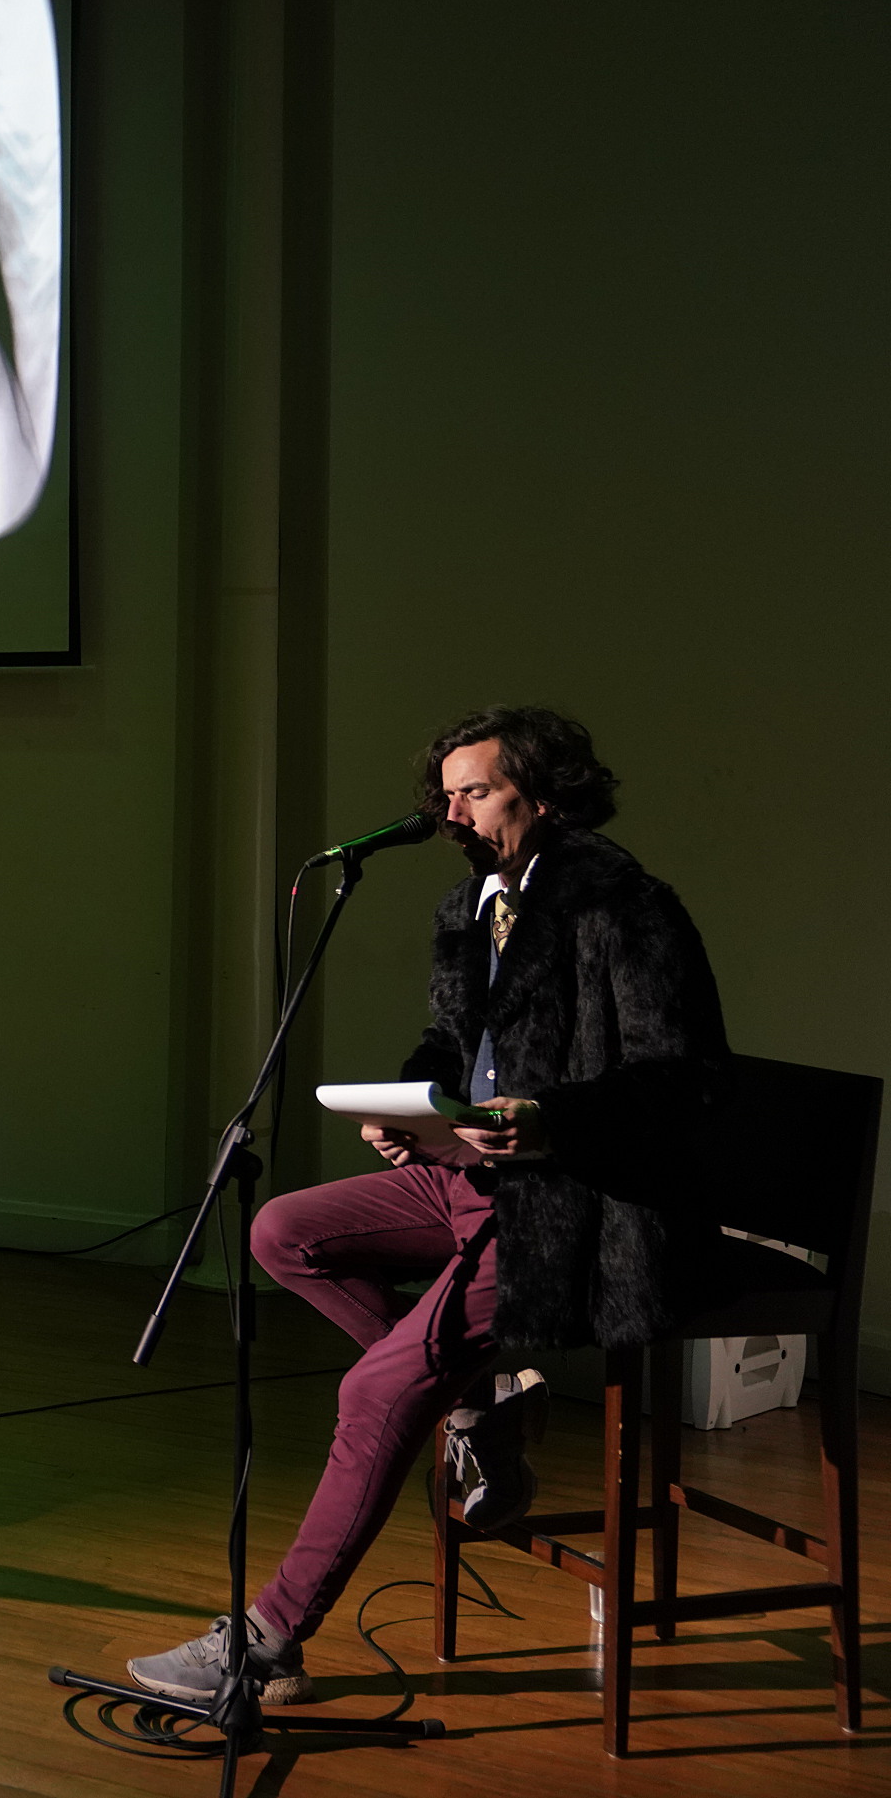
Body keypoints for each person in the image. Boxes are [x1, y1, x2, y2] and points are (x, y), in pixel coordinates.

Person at [129, 706, 731, 1707]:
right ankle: (476, 1402)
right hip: (467, 1177)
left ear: (546, 795)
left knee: (375, 1391)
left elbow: (685, 1083)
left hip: (575, 1205)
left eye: (475, 792)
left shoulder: (624, 905)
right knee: (284, 1230)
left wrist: (547, 1120)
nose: (451, 814)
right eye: (444, 795)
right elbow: (451, 1043)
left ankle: (269, 1643)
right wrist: (410, 1104)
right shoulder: (470, 907)